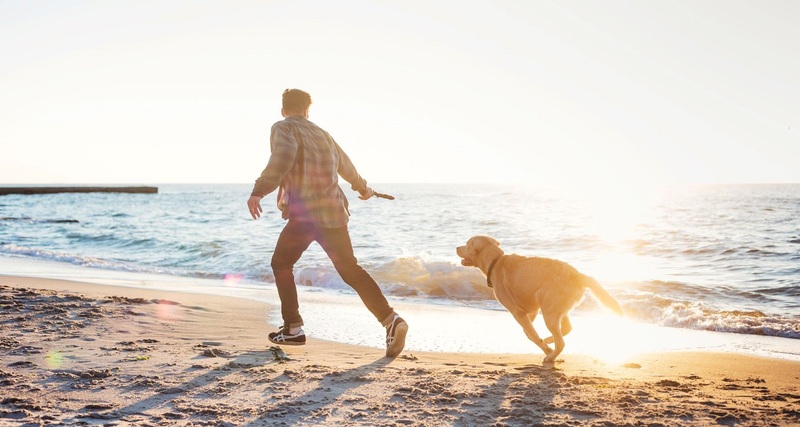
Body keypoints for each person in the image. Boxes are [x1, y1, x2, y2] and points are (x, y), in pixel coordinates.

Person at [247, 89, 408, 357]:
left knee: (281, 264)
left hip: (305, 214)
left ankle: (293, 329)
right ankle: (392, 320)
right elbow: (346, 165)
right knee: (350, 270)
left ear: (283, 110)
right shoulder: (323, 133)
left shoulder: (282, 127)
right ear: (308, 111)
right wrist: (363, 188)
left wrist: (258, 190)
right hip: (334, 213)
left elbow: (283, 157)